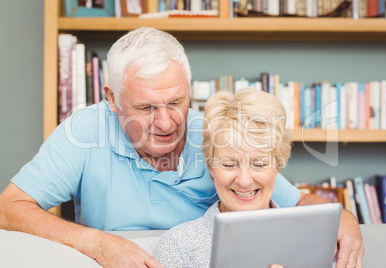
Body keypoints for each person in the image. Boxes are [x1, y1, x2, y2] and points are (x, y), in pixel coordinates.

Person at [0, 27, 363, 268]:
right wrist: (99, 244)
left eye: (177, 101)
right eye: (145, 108)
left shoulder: (214, 136)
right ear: (111, 97)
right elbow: (8, 209)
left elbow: (291, 201)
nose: (166, 122)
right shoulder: (84, 130)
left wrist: (342, 218)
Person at [154, 89, 338, 268]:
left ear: (278, 165)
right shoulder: (177, 247)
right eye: (229, 164)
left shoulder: (314, 241)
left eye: (258, 164)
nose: (243, 181)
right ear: (211, 167)